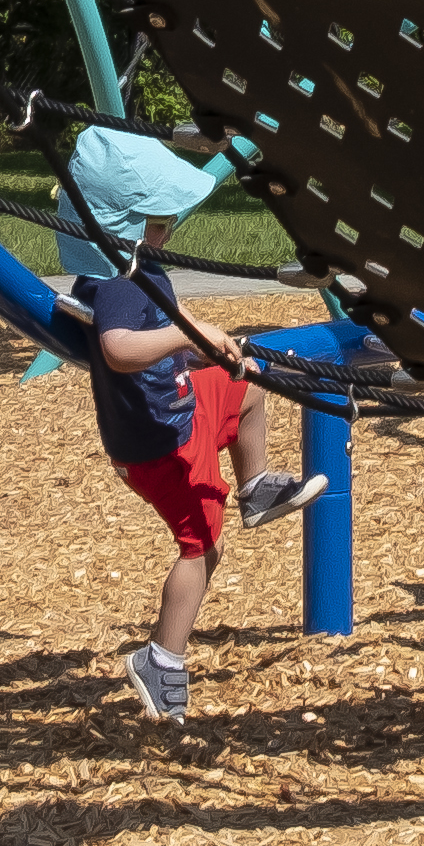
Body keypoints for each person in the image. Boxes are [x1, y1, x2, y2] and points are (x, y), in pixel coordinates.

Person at [51, 129, 265, 723]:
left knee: (243, 389)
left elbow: (177, 337)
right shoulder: (118, 283)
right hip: (155, 443)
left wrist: (206, 350)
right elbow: (120, 349)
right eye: (157, 220)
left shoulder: (140, 267)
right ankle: (163, 659)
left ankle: (256, 486)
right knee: (201, 547)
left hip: (174, 410)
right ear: (122, 223)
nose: (167, 230)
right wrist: (187, 336)